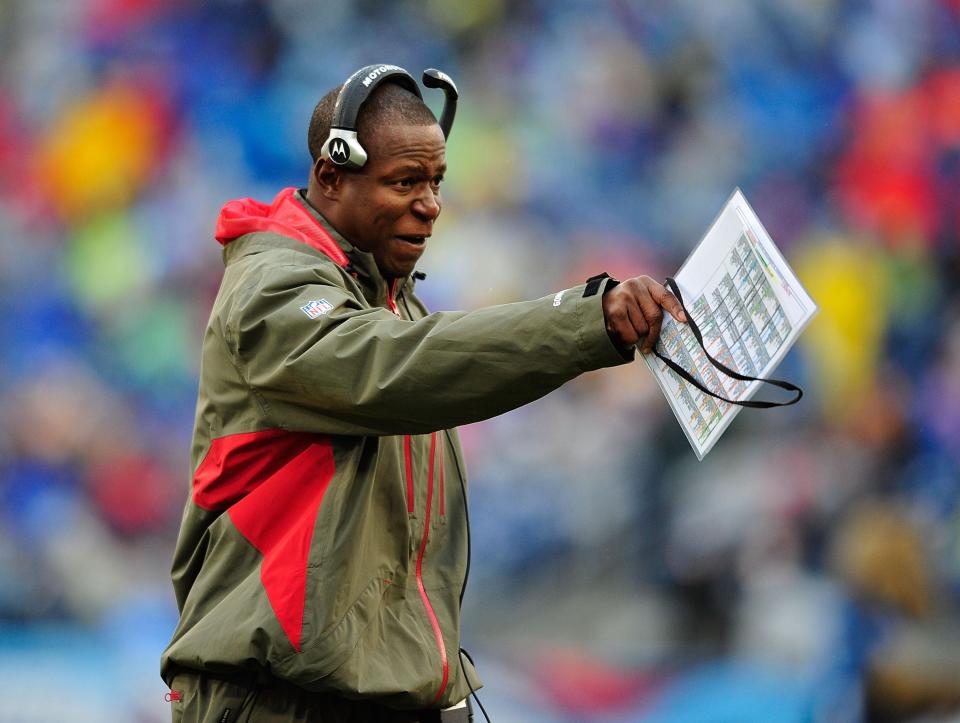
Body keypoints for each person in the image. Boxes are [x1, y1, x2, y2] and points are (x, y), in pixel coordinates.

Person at [160, 64, 686, 723]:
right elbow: (391, 365)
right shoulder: (273, 288)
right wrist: (588, 321)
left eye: (436, 182)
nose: (430, 203)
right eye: (405, 182)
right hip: (278, 698)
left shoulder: (389, 299)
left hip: (367, 697)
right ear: (331, 176)